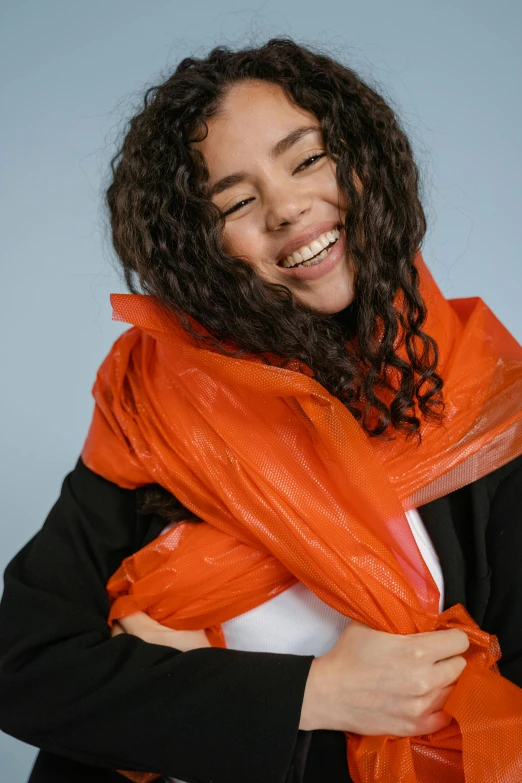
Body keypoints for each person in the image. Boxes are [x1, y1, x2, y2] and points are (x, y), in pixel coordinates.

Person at [1, 37, 521, 783]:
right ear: (201, 247)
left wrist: (171, 676)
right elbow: (26, 667)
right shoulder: (152, 409)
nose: (287, 209)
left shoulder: (487, 404)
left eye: (308, 159)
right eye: (237, 202)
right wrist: (321, 691)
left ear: (362, 161)